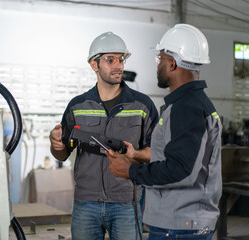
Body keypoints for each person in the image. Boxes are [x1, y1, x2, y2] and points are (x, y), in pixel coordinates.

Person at [106, 24, 222, 240]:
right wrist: (138, 156)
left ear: (173, 64)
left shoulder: (186, 108)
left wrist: (130, 171)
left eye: (159, 59)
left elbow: (182, 170)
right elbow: (178, 157)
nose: (157, 64)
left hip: (180, 225)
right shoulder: (192, 104)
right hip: (185, 222)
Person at [49, 31, 158, 240]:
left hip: (126, 203)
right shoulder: (77, 106)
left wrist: (135, 155)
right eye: (110, 60)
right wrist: (56, 144)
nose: (118, 65)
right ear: (94, 65)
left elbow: (157, 152)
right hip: (86, 204)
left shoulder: (142, 105)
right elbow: (61, 153)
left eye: (121, 59)